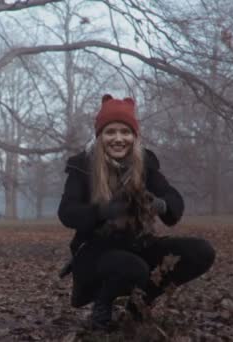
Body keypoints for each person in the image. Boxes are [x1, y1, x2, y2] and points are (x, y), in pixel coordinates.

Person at [57, 94, 216, 331]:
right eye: (111, 132)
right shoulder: (83, 166)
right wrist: (102, 211)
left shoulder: (145, 164)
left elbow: (174, 200)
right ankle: (102, 305)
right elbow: (66, 212)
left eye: (125, 132)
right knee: (133, 268)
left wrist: (160, 205)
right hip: (95, 252)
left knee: (200, 251)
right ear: (100, 136)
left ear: (134, 136)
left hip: (139, 245)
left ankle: (138, 304)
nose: (118, 138)